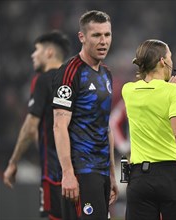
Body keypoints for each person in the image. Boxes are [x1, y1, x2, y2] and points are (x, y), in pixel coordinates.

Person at [121, 39, 176, 220]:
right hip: (171, 177)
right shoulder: (173, 92)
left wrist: (169, 88)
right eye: (170, 57)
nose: (172, 62)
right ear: (162, 61)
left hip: (139, 179)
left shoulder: (128, 90)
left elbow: (150, 93)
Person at [52, 10, 117, 219]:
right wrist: (68, 173)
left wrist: (113, 174)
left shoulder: (106, 74)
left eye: (107, 35)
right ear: (82, 37)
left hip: (102, 171)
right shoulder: (70, 71)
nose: (103, 41)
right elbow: (59, 125)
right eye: (96, 35)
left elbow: (106, 127)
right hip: (81, 170)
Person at [3, 30, 70, 219]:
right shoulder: (75, 79)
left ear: (49, 52)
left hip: (54, 169)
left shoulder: (42, 80)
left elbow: (30, 126)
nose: (33, 55)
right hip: (80, 169)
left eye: (36, 50)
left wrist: (13, 162)